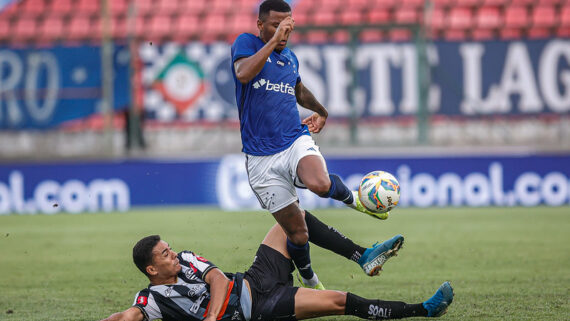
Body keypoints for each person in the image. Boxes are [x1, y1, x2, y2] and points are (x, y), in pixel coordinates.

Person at [231, 0, 387, 289]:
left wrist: (322, 111)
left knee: (318, 182)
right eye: (276, 25)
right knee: (299, 234)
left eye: (287, 25)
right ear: (260, 25)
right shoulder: (246, 44)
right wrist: (274, 41)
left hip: (293, 140)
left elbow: (298, 91)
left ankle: (358, 201)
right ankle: (310, 279)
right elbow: (243, 73)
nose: (283, 32)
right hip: (261, 161)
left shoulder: (290, 58)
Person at [99, 217, 454, 321]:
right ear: (150, 269)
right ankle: (423, 310)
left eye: (170, 248)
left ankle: (362, 255)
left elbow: (220, 282)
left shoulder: (189, 259)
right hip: (263, 308)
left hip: (255, 279)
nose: (173, 253)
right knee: (341, 302)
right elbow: (126, 317)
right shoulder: (152, 300)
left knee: (291, 219)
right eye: (165, 254)